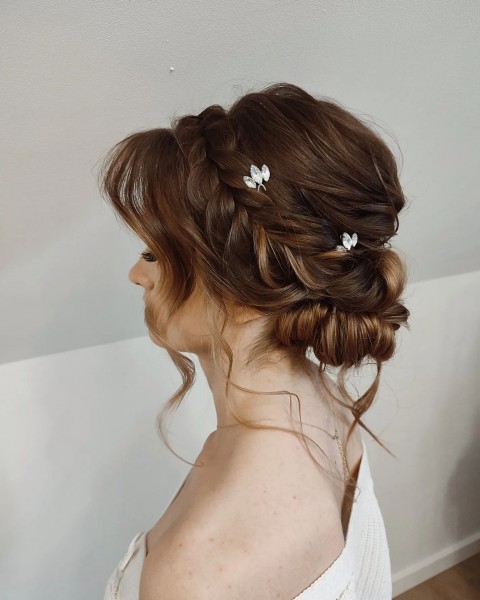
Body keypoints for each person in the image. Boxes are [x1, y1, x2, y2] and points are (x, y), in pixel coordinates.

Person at [99, 81, 410, 599]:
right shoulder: (327, 403)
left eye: (153, 253)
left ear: (241, 278)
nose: (137, 274)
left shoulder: (197, 570)